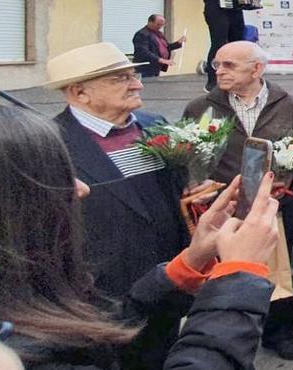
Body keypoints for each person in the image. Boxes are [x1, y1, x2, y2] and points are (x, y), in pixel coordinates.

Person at [0, 102, 279, 370]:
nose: (81, 189)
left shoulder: (15, 302)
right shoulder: (5, 354)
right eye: (56, 177)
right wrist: (238, 277)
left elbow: (100, 336)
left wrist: (185, 266)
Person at [46, 43, 189, 370]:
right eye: (121, 78)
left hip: (169, 283)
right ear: (80, 92)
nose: (138, 84)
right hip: (102, 299)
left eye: (134, 74)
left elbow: (175, 195)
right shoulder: (49, 142)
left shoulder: (155, 124)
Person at [181, 40, 293, 361]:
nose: (219, 71)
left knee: (279, 268)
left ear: (257, 69)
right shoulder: (199, 108)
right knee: (230, 272)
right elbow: (188, 159)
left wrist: (289, 180)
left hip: (275, 205)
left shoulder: (287, 103)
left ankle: (280, 334)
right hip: (225, 210)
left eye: (228, 65)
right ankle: (233, 336)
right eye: (217, 65)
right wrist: (199, 184)